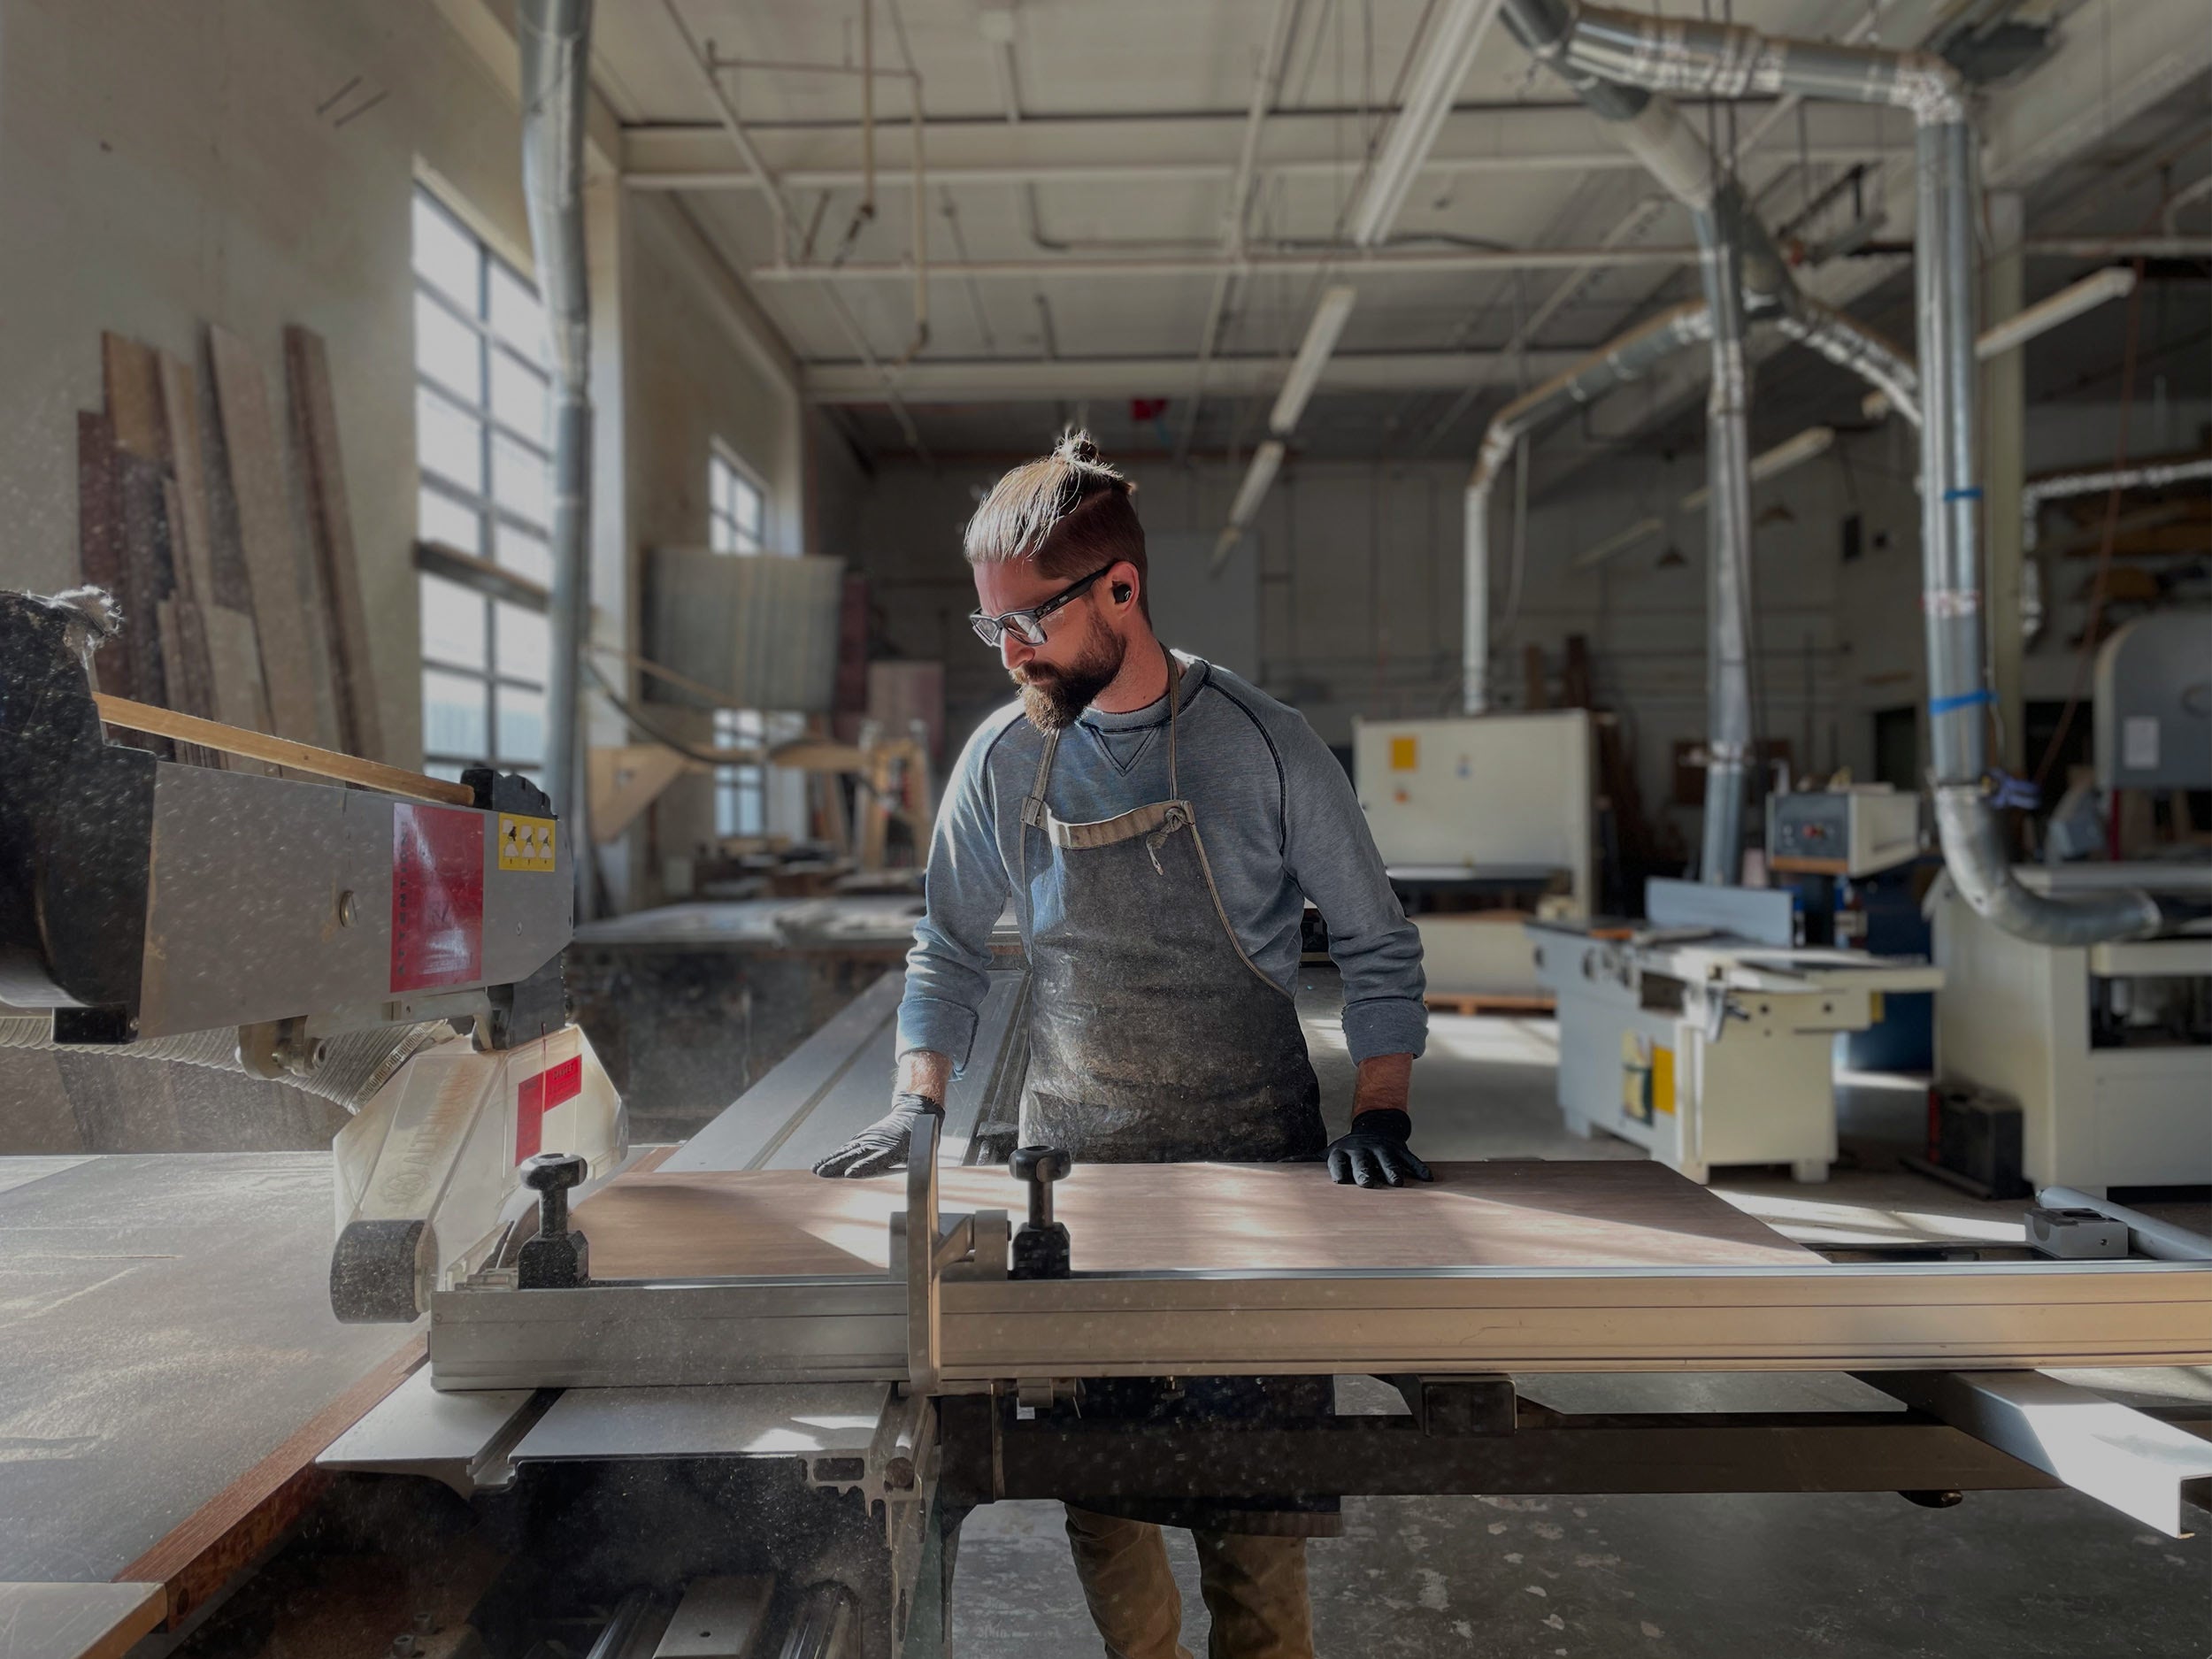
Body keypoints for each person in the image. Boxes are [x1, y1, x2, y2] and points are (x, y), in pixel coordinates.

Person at [814, 432, 1429, 1659]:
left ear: (1121, 592)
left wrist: (1381, 1112)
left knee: (1255, 1549)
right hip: (1074, 1192)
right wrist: (919, 1102)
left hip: (1256, 1184)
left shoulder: (1264, 744)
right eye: (994, 632)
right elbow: (944, 943)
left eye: (1027, 624)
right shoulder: (1002, 757)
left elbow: (1376, 942)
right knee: (1109, 1526)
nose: (1012, 653)